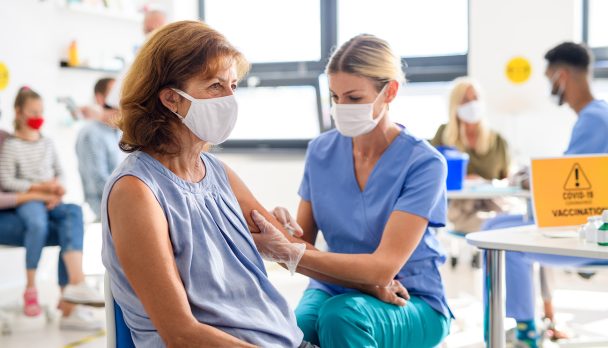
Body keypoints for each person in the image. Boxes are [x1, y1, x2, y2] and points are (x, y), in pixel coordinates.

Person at [250, 34, 453, 348]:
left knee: (341, 317)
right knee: (293, 330)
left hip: (412, 297)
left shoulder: (424, 164)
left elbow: (383, 268)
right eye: (335, 96)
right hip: (333, 287)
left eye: (354, 98)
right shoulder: (321, 151)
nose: (341, 107)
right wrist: (282, 230)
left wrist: (290, 249)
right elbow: (299, 247)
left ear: (390, 92)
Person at [495, 42, 608, 348]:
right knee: (495, 228)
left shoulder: (594, 119)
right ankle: (525, 324)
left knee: (500, 241)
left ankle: (526, 330)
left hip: (589, 234)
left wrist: (532, 180)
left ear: (561, 77)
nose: (550, 87)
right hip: (587, 227)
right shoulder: (597, 116)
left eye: (549, 80)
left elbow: (569, 184)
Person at [0, 87, 103, 330]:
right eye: (33, 112)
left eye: (40, 112)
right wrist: (39, 190)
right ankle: (33, 287)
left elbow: (60, 172)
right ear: (19, 112)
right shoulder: (11, 145)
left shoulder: (45, 142)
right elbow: (7, 182)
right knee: (40, 224)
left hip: (47, 198)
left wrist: (57, 189)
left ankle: (74, 289)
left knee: (73, 214)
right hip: (28, 202)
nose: (38, 116)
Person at [431, 77, 510, 233]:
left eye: (475, 98)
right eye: (465, 100)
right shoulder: (444, 135)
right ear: (455, 105)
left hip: (492, 204)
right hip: (458, 208)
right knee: (492, 228)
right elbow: (432, 174)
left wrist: (484, 183)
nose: (472, 104)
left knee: (504, 223)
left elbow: (506, 180)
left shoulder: (497, 140)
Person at [76, 78, 122, 221]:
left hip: (122, 198)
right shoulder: (92, 134)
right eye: (114, 93)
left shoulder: (118, 132)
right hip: (104, 206)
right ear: (100, 98)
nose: (120, 98)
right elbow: (98, 181)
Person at [105, 8, 167, 109]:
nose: (152, 35)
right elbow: (115, 99)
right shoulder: (138, 57)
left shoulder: (169, 60)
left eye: (156, 30)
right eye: (148, 30)